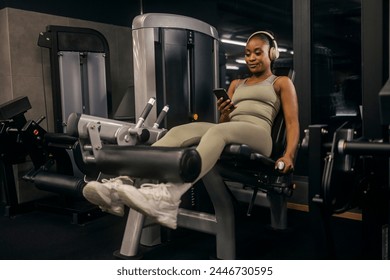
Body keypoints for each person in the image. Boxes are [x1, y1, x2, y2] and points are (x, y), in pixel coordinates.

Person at [82, 31, 300, 229]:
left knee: (216, 132)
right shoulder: (237, 84)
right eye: (247, 53)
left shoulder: (280, 82)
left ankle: (168, 196)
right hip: (233, 129)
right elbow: (225, 123)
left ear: (272, 54)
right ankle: (122, 184)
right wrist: (224, 113)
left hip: (259, 135)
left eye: (257, 53)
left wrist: (288, 155)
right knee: (181, 131)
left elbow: (292, 123)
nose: (251, 58)